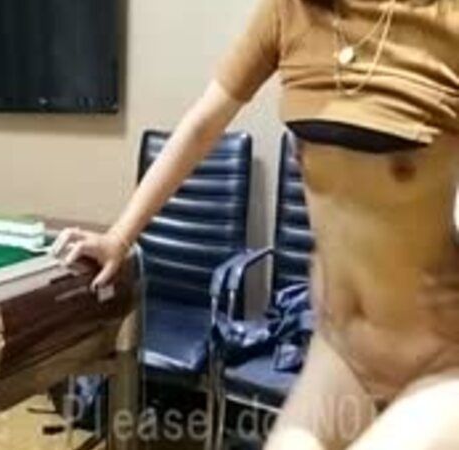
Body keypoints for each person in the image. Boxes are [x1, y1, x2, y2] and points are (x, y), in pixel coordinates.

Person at [52, 0, 459, 448]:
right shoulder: (289, 12)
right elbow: (201, 126)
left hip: (437, 357)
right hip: (341, 345)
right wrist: (119, 237)